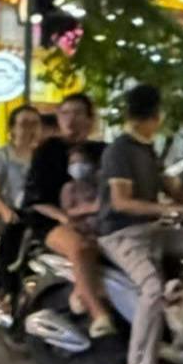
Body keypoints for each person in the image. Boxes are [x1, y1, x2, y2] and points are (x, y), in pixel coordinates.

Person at [99, 84, 183, 364]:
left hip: (150, 230)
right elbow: (121, 202)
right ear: (153, 115)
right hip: (121, 233)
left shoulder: (147, 150)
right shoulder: (120, 150)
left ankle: (182, 330)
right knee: (152, 288)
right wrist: (167, 208)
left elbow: (172, 188)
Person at [25, 92, 116, 336]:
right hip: (51, 219)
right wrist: (66, 219)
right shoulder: (48, 150)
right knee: (81, 247)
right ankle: (100, 316)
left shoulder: (102, 150)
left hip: (96, 219)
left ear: (90, 120)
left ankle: (81, 292)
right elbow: (36, 198)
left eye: (77, 113)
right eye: (65, 113)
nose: (71, 119)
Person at [0, 103, 42, 290]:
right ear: (13, 128)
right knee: (12, 241)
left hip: (34, 210)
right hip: (8, 211)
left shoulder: (43, 154)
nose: (29, 129)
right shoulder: (2, 154)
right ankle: (7, 292)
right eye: (24, 124)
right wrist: (5, 211)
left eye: (34, 123)